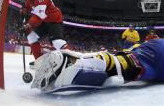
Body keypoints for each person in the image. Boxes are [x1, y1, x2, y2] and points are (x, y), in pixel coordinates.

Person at [31, 39, 164, 91]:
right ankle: (74, 62)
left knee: (127, 62)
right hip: (155, 54)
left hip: (149, 49)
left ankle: (77, 61)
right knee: (128, 64)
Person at [20, 0, 68, 67]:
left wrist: (28, 26)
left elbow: (38, 16)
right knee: (31, 37)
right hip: (45, 21)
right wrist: (23, 9)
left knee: (57, 42)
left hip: (54, 21)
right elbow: (27, 7)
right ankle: (40, 61)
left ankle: (71, 60)